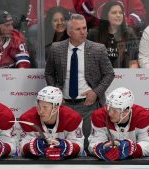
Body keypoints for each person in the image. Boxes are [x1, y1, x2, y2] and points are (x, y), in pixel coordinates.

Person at [45, 14, 115, 148]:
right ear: (69, 32)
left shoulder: (98, 49)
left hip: (88, 106)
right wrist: (55, 92)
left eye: (85, 28)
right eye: (78, 29)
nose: (83, 32)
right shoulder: (56, 48)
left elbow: (109, 74)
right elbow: (49, 73)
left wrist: (96, 92)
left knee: (90, 145)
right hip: (63, 105)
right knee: (66, 146)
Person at [88, 87, 149, 161]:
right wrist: (101, 148)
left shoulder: (144, 116)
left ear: (126, 110)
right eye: (109, 108)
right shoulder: (99, 116)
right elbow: (93, 144)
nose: (110, 113)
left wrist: (131, 148)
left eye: (114, 110)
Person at [19, 86, 84, 160]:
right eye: (39, 106)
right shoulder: (27, 118)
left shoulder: (72, 118)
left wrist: (67, 147)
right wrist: (31, 147)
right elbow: (22, 149)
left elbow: (79, 147)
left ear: (56, 107)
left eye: (45, 107)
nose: (40, 111)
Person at [88, 1, 139, 68]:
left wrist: (130, 76)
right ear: (106, 15)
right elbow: (89, 60)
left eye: (120, 13)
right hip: (100, 75)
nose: (118, 15)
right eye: (114, 13)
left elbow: (133, 62)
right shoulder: (94, 34)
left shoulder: (129, 34)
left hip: (124, 75)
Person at [77, 0, 146, 30]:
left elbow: (139, 13)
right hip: (99, 35)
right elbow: (82, 15)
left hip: (123, 35)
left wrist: (124, 22)